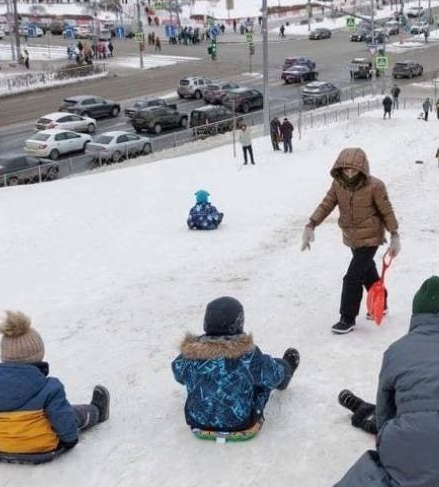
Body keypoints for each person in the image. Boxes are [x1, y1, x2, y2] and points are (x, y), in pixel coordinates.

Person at [331, 277, 439, 487]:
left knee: (383, 467)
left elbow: (384, 413)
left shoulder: (397, 350)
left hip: (408, 441)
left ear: (415, 315)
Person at [0, 311, 110, 457]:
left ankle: (7, 443)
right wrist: (70, 441)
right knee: (70, 413)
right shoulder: (49, 388)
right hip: (43, 446)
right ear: (38, 355)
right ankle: (97, 411)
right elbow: (62, 419)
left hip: (1, 446)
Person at [302, 148, 401, 334]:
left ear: (362, 169)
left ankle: (347, 318)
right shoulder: (338, 185)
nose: (349, 173)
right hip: (352, 237)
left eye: (353, 170)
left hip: (371, 237)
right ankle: (382, 303)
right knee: (367, 272)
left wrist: (394, 235)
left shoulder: (375, 186)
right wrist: (311, 224)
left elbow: (386, 211)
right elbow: (326, 205)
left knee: (352, 277)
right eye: (346, 170)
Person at [172, 297, 299, 434]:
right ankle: (287, 369)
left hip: (197, 420)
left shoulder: (190, 355)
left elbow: (178, 372)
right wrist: (282, 366)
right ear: (238, 323)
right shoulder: (248, 356)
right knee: (268, 374)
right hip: (242, 422)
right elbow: (272, 375)